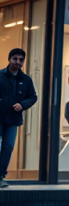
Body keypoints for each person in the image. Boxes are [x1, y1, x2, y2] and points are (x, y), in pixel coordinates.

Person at [0, 48, 38, 188]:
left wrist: (22, 105)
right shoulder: (0, 76)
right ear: (9, 59)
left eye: (21, 60)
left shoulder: (26, 80)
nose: (18, 62)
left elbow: (33, 97)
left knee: (8, 147)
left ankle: (0, 176)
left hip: (13, 120)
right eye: (15, 59)